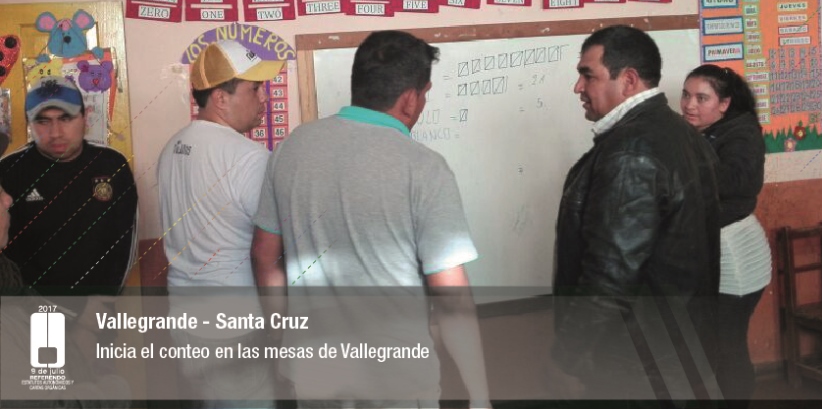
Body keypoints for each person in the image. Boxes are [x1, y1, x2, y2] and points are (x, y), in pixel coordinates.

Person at [252, 30, 490, 409]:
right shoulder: (425, 167)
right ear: (409, 98)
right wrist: (479, 396)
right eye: (424, 94)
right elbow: (452, 297)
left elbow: (265, 257)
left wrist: (283, 338)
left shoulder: (292, 147)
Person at [552, 25, 721, 405]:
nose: (578, 87)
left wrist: (568, 358)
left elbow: (610, 273)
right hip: (675, 349)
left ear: (628, 80)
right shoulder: (680, 132)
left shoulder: (631, 152)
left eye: (588, 75)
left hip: (636, 362)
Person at [158, 39, 284, 409]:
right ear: (220, 98)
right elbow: (271, 251)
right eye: (255, 88)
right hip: (233, 326)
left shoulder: (172, 147)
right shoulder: (249, 158)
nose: (264, 98)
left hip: (185, 320)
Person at [681, 64, 771, 409]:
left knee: (727, 345)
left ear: (724, 104)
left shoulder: (740, 134)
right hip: (719, 251)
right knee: (715, 345)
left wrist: (678, 171)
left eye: (701, 98)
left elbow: (736, 183)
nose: (690, 104)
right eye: (686, 95)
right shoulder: (708, 132)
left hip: (735, 255)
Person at [0, 76, 137, 293]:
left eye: (65, 118)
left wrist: (105, 299)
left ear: (85, 117)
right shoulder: (9, 170)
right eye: (43, 121)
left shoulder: (112, 165)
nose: (55, 133)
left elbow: (124, 242)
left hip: (98, 305)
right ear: (29, 123)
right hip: (31, 305)